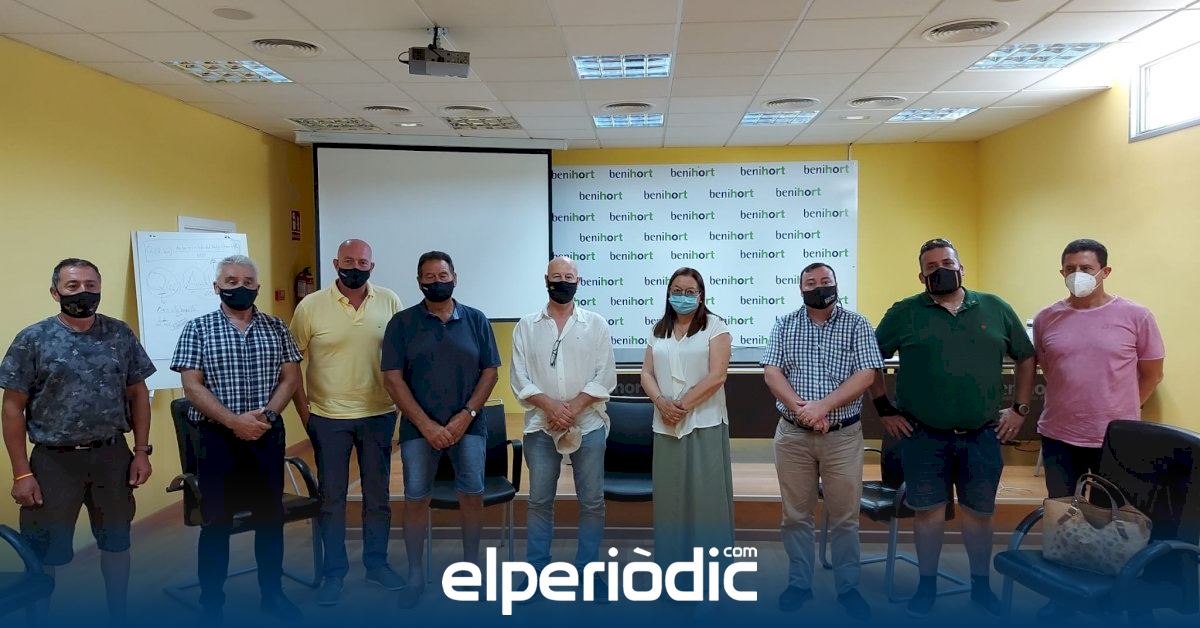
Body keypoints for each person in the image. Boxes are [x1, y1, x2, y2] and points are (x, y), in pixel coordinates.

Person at [870, 238, 1035, 618]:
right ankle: (926, 586)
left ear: (961, 268)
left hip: (982, 435)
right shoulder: (905, 312)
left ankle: (981, 587)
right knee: (928, 514)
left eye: (947, 263)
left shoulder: (994, 307)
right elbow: (868, 358)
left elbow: (1026, 356)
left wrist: (1019, 410)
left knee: (980, 514)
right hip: (923, 436)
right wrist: (884, 409)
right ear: (921, 276)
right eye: (931, 267)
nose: (940, 270)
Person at [1, 258, 155, 624]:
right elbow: (12, 408)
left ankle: (118, 616)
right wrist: (21, 473)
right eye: (73, 286)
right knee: (45, 549)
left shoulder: (120, 334)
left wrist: (141, 452)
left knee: (116, 541)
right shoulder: (32, 339)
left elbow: (138, 393)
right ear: (55, 292)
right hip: (54, 462)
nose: (83, 292)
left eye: (90, 285)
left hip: (111, 457)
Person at [171, 255, 303, 624]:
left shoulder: (277, 327)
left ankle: (272, 595)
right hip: (217, 440)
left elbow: (290, 379)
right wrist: (233, 422)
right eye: (231, 281)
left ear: (257, 287)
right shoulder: (197, 329)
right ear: (217, 287)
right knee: (216, 523)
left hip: (266, 435)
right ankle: (212, 604)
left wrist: (267, 416)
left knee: (270, 518)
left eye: (247, 281)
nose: (239, 287)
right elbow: (192, 386)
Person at [762, 262, 882, 619]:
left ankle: (848, 587)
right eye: (811, 283)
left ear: (836, 284)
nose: (819, 287)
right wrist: (803, 410)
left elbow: (866, 374)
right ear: (800, 289)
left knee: (845, 518)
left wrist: (823, 406)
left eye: (825, 281)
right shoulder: (784, 324)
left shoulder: (857, 324)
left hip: (842, 436)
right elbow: (772, 372)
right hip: (793, 436)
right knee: (795, 516)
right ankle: (799, 583)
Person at [382, 251, 500, 609]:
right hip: (419, 430)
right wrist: (426, 425)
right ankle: (415, 575)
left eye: (443, 275)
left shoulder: (476, 320)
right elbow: (392, 379)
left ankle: (470, 570)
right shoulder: (402, 323)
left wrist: (466, 416)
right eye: (429, 277)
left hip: (469, 427)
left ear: (455, 278)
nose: (437, 282)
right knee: (416, 498)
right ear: (419, 281)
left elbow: (490, 372)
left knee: (472, 494)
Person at [289, 239, 405, 605]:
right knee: (331, 499)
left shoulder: (389, 301)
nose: (355, 267)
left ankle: (377, 564)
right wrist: (306, 414)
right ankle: (334, 573)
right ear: (335, 263)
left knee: (378, 497)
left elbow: (400, 356)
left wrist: (398, 406)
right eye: (348, 261)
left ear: (372, 266)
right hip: (328, 418)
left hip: (378, 414)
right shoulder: (310, 306)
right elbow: (290, 364)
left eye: (362, 262)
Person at [510, 256, 616, 596]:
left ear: (578, 282)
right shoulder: (526, 326)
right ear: (546, 280)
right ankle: (537, 570)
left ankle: (588, 571)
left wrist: (573, 408)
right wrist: (552, 407)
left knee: (592, 502)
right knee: (539, 501)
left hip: (588, 424)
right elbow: (519, 379)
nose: (562, 282)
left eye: (569, 277)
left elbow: (605, 376)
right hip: (542, 426)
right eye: (556, 276)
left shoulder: (596, 324)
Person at [1034, 239, 1164, 498]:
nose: (1077, 275)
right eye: (1070, 269)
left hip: (1115, 438)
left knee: (1109, 512)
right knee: (1062, 509)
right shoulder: (1045, 318)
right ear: (1062, 273)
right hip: (1058, 435)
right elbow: (1050, 370)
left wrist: (1122, 409)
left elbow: (1153, 375)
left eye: (1086, 268)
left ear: (1105, 272)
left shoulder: (1137, 316)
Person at [640, 267, 734, 569]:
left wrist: (679, 406)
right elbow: (646, 373)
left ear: (701, 295)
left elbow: (717, 376)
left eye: (690, 292)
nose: (683, 296)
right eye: (677, 291)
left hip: (704, 424)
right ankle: (674, 573)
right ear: (668, 294)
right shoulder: (658, 329)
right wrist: (661, 403)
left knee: (707, 503)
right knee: (670, 503)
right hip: (665, 426)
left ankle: (710, 575)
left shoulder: (716, 327)